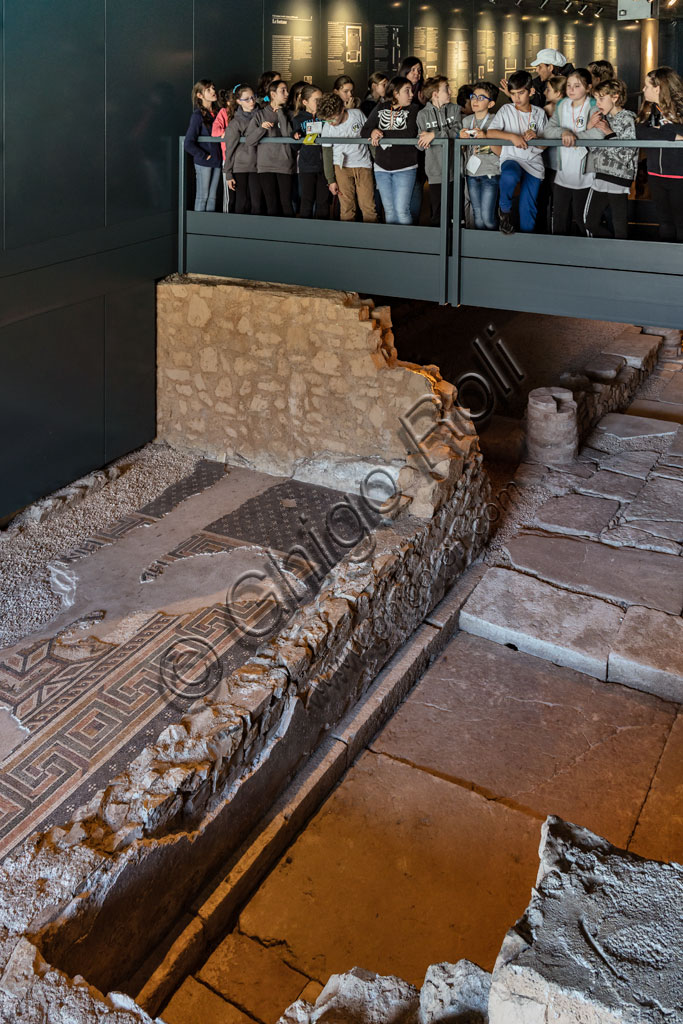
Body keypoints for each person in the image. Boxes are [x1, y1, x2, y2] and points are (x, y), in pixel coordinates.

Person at [486, 70, 549, 234]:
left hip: (534, 163)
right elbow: (491, 133)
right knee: (510, 175)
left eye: (521, 93)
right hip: (512, 157)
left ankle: (526, 245)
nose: (516, 98)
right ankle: (504, 210)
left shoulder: (540, 113)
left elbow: (544, 147)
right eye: (513, 94)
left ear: (532, 91)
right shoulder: (506, 109)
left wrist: (536, 137)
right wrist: (512, 137)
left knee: (528, 207)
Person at [542, 68, 600, 235]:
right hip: (563, 171)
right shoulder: (562, 105)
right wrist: (563, 133)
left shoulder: (594, 105)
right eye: (569, 85)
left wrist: (575, 137)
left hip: (586, 173)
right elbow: (548, 131)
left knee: (583, 218)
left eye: (577, 86)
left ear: (588, 88)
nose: (571, 90)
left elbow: (599, 134)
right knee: (559, 218)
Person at [361, 76, 420, 225]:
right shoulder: (381, 107)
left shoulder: (413, 109)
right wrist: (373, 131)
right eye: (407, 91)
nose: (412, 94)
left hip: (405, 167)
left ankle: (406, 245)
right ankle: (392, 245)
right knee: (389, 210)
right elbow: (365, 129)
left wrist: (381, 133)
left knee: (402, 210)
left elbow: (409, 133)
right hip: (381, 167)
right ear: (395, 93)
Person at [584, 79, 638, 239]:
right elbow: (592, 150)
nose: (598, 103)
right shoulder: (604, 119)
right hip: (601, 174)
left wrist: (609, 134)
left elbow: (627, 154)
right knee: (590, 223)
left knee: (620, 228)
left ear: (614, 97)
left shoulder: (628, 119)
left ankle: (620, 261)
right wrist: (589, 129)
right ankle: (609, 255)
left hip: (619, 177)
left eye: (601, 98)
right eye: (596, 99)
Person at [636, 66, 683, 242]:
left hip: (679, 176)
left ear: (658, 88)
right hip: (655, 174)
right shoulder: (651, 110)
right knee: (664, 223)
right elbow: (639, 131)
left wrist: (666, 131)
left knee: (680, 223)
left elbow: (672, 131)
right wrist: (671, 134)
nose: (643, 89)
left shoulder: (681, 109)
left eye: (646, 86)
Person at [318, 92, 377, 222]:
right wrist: (330, 180)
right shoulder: (327, 127)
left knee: (368, 206)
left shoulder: (357, 114)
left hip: (363, 165)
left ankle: (372, 236)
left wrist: (377, 162)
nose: (331, 122)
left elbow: (369, 137)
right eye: (327, 120)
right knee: (346, 207)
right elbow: (327, 153)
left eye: (333, 118)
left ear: (342, 109)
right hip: (341, 168)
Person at [417, 76, 463, 227]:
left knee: (456, 212)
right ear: (435, 94)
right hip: (435, 172)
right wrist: (425, 139)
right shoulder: (423, 115)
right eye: (446, 89)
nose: (450, 91)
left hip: (456, 170)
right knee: (437, 213)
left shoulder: (455, 109)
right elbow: (420, 144)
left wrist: (434, 135)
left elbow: (458, 132)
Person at [246, 79, 296, 216]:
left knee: (286, 203)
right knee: (271, 205)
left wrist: (280, 114)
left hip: (285, 165)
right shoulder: (260, 114)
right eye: (283, 91)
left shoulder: (290, 114)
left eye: (287, 90)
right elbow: (249, 140)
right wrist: (261, 129)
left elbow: (288, 135)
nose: (286, 93)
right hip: (266, 166)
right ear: (273, 94)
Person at [459, 82, 501, 231]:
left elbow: (502, 152)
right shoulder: (466, 121)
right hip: (471, 173)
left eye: (481, 98)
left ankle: (492, 248)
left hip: (490, 172)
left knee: (488, 218)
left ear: (491, 103)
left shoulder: (496, 120)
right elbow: (464, 150)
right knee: (477, 215)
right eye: (473, 96)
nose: (475, 100)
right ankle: (479, 249)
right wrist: (461, 141)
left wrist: (485, 139)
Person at [222, 84, 261, 215]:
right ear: (238, 101)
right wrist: (228, 173)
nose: (252, 101)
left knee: (257, 202)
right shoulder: (235, 123)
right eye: (247, 99)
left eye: (253, 97)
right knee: (241, 202)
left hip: (259, 166)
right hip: (241, 167)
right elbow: (230, 149)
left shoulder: (262, 116)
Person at [184, 79, 221, 212]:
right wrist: (204, 156)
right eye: (208, 90)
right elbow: (188, 143)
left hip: (218, 160)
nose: (213, 91)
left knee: (212, 197)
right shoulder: (197, 115)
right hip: (204, 161)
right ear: (200, 95)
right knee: (202, 196)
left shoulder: (218, 113)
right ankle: (197, 230)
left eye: (213, 88)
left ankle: (208, 229)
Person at [292, 85, 329, 219]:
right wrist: (295, 135)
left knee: (323, 201)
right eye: (316, 100)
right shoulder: (298, 119)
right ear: (305, 102)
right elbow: (295, 147)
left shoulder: (326, 117)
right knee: (307, 201)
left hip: (325, 165)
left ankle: (322, 233)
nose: (319, 103)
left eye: (321, 100)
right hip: (307, 166)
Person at [501, 49, 572, 108]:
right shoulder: (538, 85)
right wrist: (513, 96)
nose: (537, 70)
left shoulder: (572, 88)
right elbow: (536, 109)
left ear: (550, 67)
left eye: (539, 66)